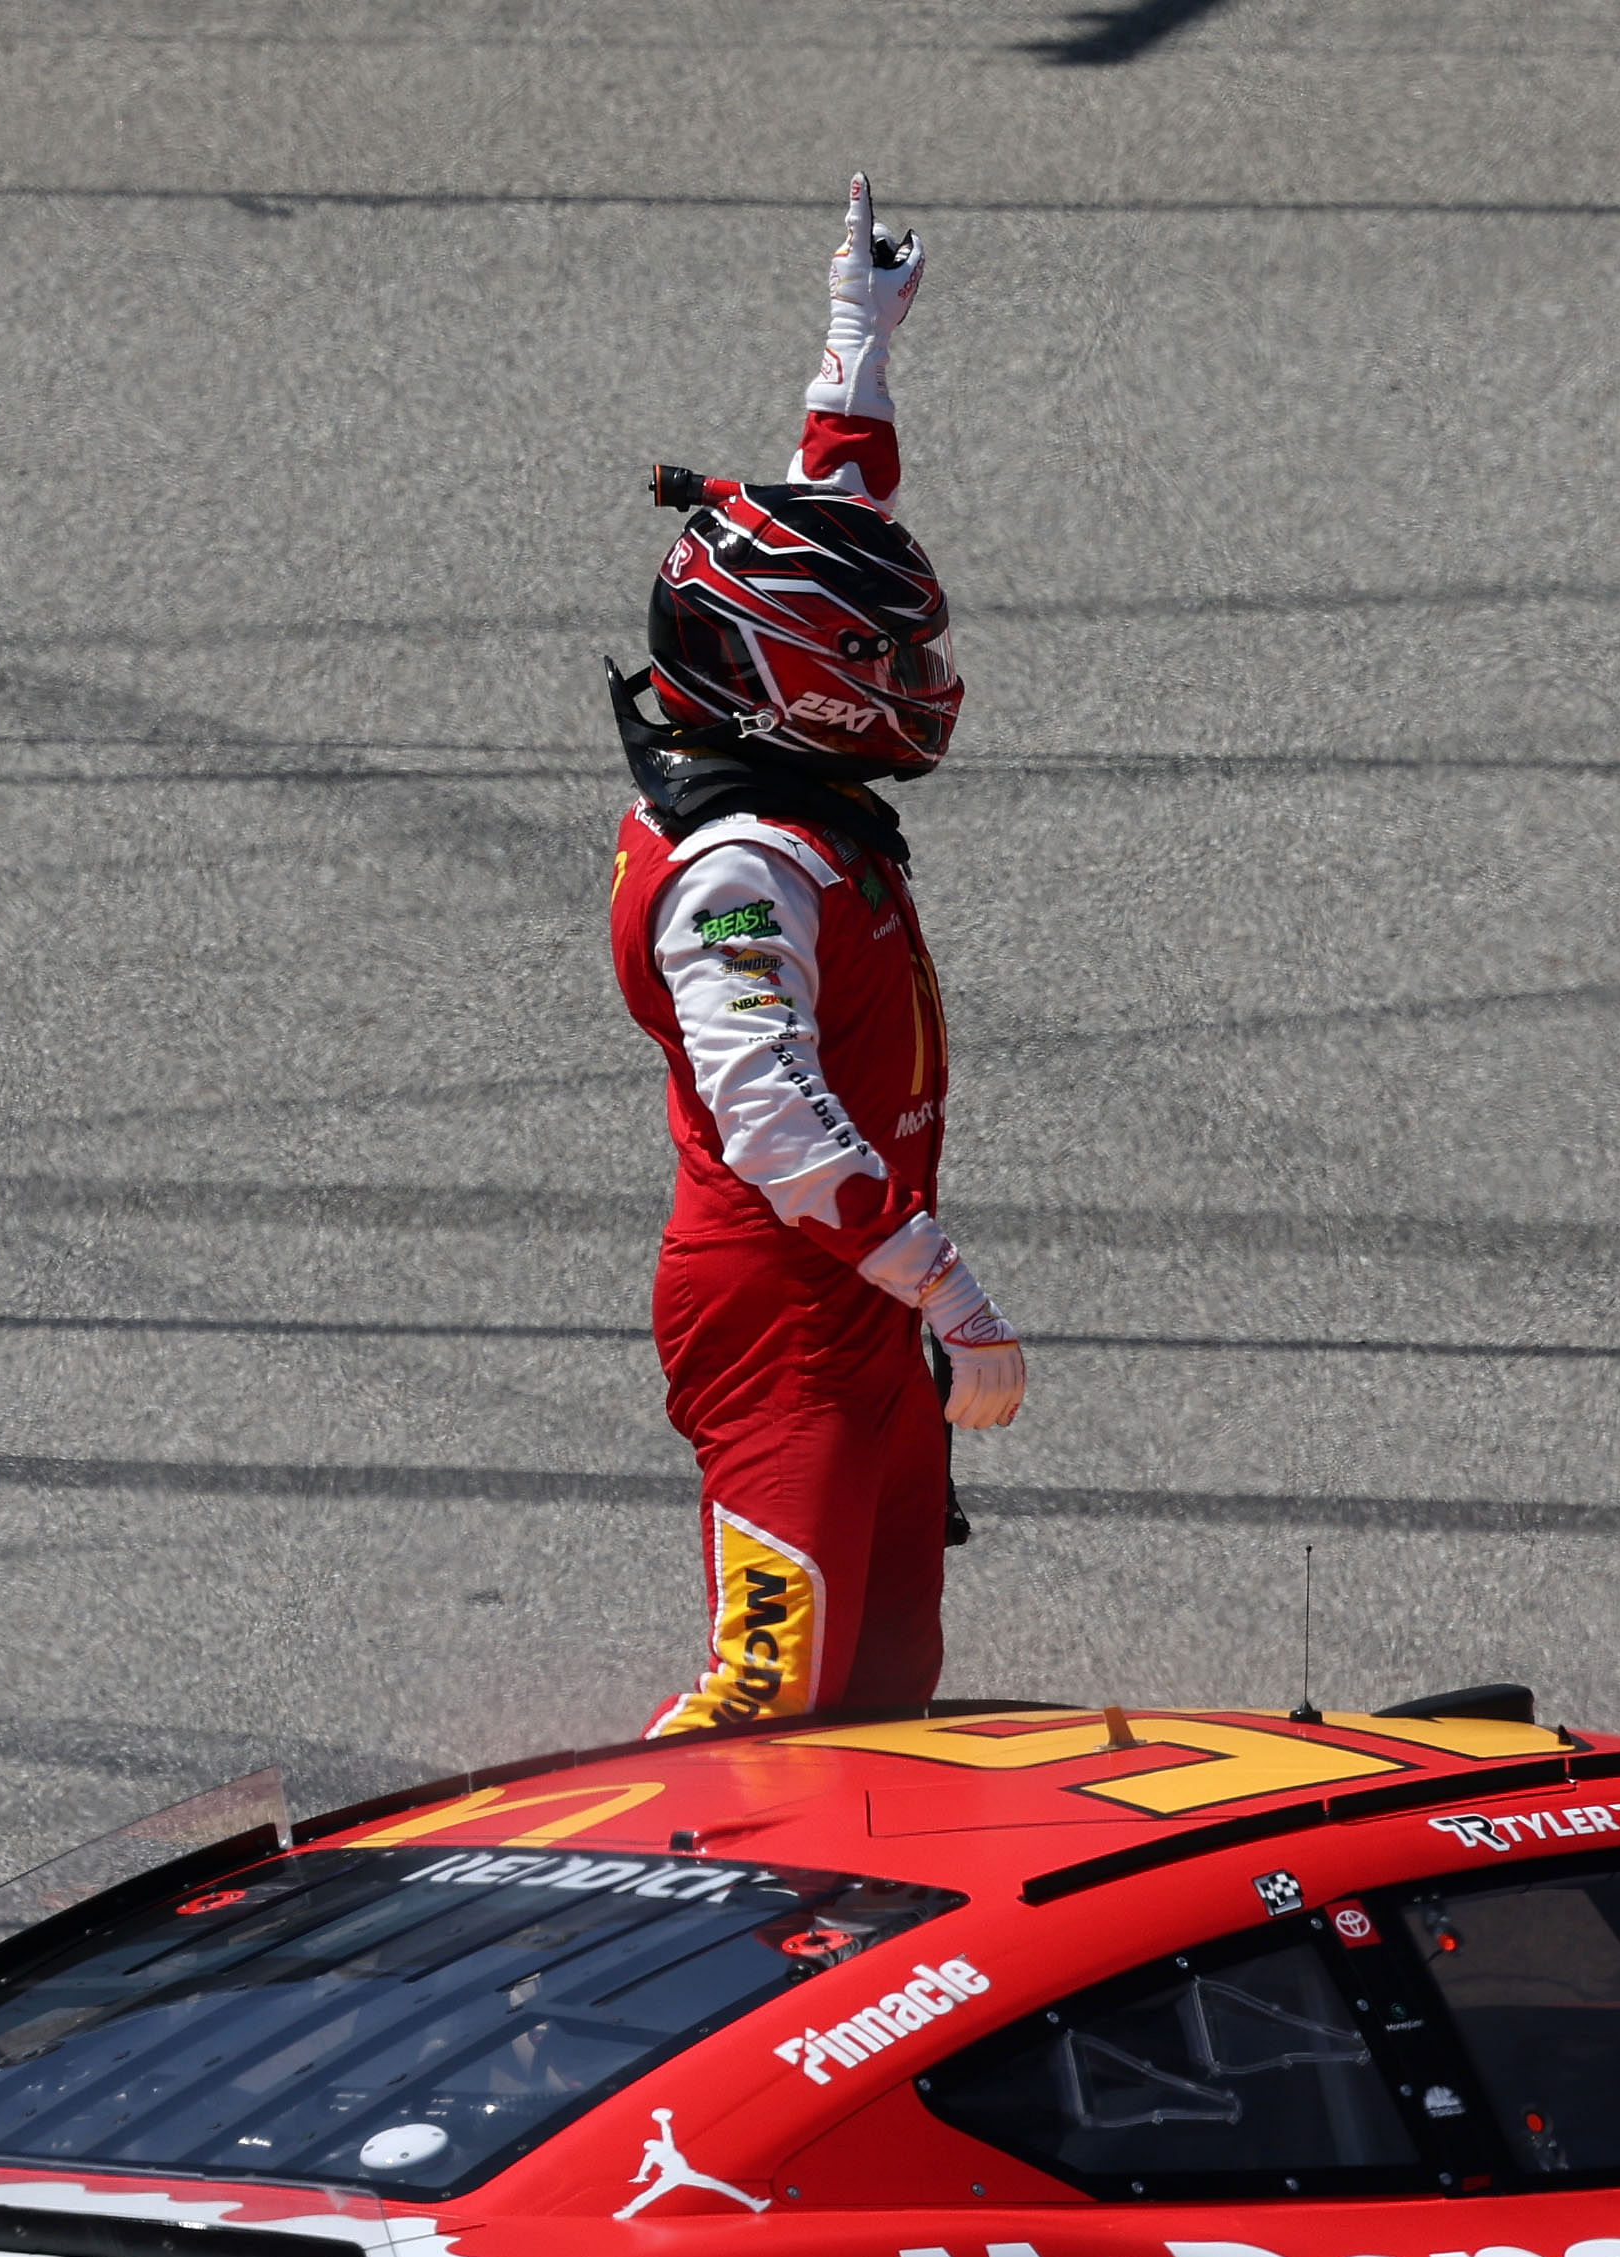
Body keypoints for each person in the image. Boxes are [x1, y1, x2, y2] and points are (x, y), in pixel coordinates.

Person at [606, 177, 1027, 1737]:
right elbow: (772, 1119)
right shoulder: (742, 867)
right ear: (793, 682)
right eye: (884, 663)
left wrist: (855, 339)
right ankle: (671, 1951)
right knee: (767, 1701)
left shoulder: (772, 745)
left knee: (889, 1692)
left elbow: (815, 521)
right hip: (787, 1313)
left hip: (856, 1296)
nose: (919, 680)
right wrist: (948, 1288)